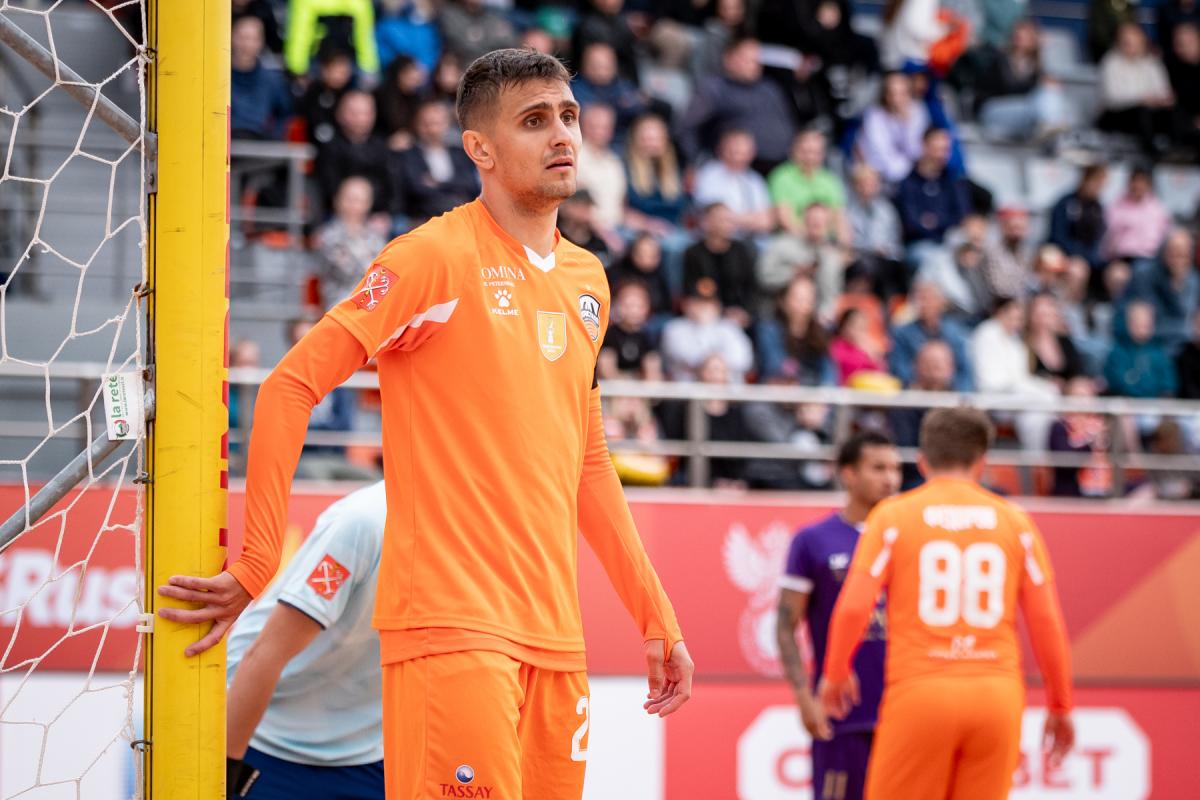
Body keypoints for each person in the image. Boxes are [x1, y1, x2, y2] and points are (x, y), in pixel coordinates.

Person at [157, 49, 693, 800]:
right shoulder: (432, 256)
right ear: (480, 148)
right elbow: (288, 387)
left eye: (568, 116)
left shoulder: (588, 280)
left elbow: (590, 461)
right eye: (534, 120)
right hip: (451, 625)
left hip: (554, 636)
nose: (561, 134)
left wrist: (656, 618)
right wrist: (256, 562)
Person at [819, 407, 1075, 800]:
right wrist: (1060, 704)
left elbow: (854, 607)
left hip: (921, 690)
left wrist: (836, 673)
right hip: (996, 695)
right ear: (982, 462)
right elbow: (1046, 621)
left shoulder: (893, 516)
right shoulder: (1016, 522)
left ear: (922, 460)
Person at [225, 482, 387, 799]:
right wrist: (224, 772)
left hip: (367, 751)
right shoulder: (365, 521)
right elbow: (266, 652)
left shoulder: (472, 526)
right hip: (265, 740)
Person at [776, 432, 901, 800]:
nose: (890, 479)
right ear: (848, 474)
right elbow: (785, 624)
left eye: (895, 469)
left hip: (906, 711)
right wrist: (805, 697)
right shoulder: (814, 540)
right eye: (878, 468)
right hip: (843, 713)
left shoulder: (908, 538)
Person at [677, 37, 798, 169]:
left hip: (783, 166)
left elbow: (788, 124)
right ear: (728, 59)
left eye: (756, 60)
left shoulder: (770, 88)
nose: (754, 65)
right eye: (747, 59)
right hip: (736, 168)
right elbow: (689, 128)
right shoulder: (715, 88)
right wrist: (693, 162)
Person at [389, 100, 480, 223]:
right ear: (417, 125)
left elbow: (470, 184)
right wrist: (453, 187)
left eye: (436, 123)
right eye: (426, 124)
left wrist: (439, 183)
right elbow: (417, 189)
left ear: (447, 125)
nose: (432, 129)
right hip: (424, 218)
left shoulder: (460, 153)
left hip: (461, 216)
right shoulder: (408, 156)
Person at [1097, 22, 1176, 155]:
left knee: (1174, 111)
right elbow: (1112, 98)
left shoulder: (1152, 62)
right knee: (1142, 112)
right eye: (1126, 41)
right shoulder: (1110, 62)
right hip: (1117, 115)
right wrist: (1141, 99)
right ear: (1118, 42)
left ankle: (1179, 150)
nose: (1132, 45)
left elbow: (1164, 90)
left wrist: (1161, 100)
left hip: (1150, 111)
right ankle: (1151, 154)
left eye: (1136, 40)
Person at [660, 277, 756, 382]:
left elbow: (744, 360)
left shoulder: (730, 327)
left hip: (727, 388)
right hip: (687, 389)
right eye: (699, 302)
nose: (704, 307)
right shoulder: (675, 328)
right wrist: (712, 364)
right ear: (686, 304)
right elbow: (684, 356)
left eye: (709, 302)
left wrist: (716, 366)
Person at [313, 176, 389, 306]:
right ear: (337, 200)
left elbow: (384, 271)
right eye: (349, 198)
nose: (353, 204)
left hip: (373, 305)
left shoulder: (376, 236)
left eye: (359, 200)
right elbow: (349, 271)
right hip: (340, 304)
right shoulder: (327, 235)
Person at [315, 90, 392, 215]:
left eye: (366, 113)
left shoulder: (382, 146)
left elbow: (391, 186)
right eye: (354, 113)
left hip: (377, 213)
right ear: (339, 114)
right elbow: (328, 187)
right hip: (337, 213)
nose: (361, 119)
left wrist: (384, 213)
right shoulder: (329, 148)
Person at [888, 280, 973, 391]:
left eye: (930, 299)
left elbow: (965, 372)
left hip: (949, 392)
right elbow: (899, 370)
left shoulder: (955, 332)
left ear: (941, 302)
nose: (925, 304)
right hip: (916, 392)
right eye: (920, 299)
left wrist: (952, 389)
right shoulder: (902, 333)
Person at [682, 203, 758, 327]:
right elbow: (691, 290)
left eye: (730, 220)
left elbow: (752, 287)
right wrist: (720, 312)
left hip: (740, 312)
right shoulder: (693, 253)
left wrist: (745, 312)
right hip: (707, 313)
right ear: (707, 223)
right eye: (722, 220)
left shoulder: (742, 250)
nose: (728, 224)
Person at [754, 274, 835, 385]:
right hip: (776, 390)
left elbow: (829, 372)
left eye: (809, 299)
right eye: (798, 298)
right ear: (783, 301)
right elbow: (774, 367)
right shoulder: (768, 330)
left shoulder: (820, 333)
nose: (804, 304)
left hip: (811, 391)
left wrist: (822, 391)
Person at [692, 129, 775, 236]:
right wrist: (751, 219)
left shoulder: (755, 180)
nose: (740, 157)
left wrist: (734, 219)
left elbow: (767, 222)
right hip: (718, 238)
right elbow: (715, 217)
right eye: (736, 151)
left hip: (752, 239)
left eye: (745, 152)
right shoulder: (709, 174)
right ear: (722, 150)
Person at [895, 127, 969, 246]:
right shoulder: (908, 183)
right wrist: (940, 224)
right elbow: (911, 224)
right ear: (924, 147)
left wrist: (935, 222)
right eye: (937, 149)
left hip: (949, 243)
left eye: (945, 150)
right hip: (918, 245)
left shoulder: (953, 182)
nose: (941, 155)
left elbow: (962, 217)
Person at [768, 129, 847, 240]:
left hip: (826, 243)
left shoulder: (830, 180)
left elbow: (841, 221)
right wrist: (813, 239)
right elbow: (785, 221)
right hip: (793, 240)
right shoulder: (781, 177)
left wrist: (845, 246)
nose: (810, 157)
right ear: (793, 151)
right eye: (805, 151)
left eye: (815, 153)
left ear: (823, 155)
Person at [856, 72, 929, 184]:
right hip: (879, 173)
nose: (896, 99)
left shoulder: (918, 111)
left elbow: (916, 151)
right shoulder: (874, 116)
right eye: (892, 93)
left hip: (909, 173)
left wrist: (906, 124)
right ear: (885, 95)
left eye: (902, 93)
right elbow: (880, 154)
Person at [231, 16, 292, 141]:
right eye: (243, 38)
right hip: (222, 143)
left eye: (253, 39)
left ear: (261, 42)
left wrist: (273, 137)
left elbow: (285, 114)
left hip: (260, 146)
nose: (247, 45)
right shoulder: (215, 79)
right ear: (231, 37)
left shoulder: (273, 80)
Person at [284, 0, 379, 78]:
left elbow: (365, 39)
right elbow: (299, 35)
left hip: (346, 63)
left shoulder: (360, 3)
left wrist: (368, 71)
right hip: (318, 63)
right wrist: (298, 70)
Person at [1105, 301, 1179, 399]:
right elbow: (1115, 381)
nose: (1141, 329)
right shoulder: (1118, 353)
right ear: (1128, 324)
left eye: (1146, 325)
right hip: (1126, 403)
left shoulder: (1160, 354)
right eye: (1137, 324)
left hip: (1155, 404)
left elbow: (1168, 384)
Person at [575, 103, 627, 235]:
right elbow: (571, 208)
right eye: (594, 126)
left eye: (604, 127)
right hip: (588, 232)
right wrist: (607, 236)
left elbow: (622, 209)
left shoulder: (614, 163)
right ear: (582, 126)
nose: (599, 132)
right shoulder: (573, 159)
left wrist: (647, 224)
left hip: (619, 228)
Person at [1102, 167, 1170, 263]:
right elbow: (1109, 236)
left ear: (1148, 185)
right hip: (1121, 257)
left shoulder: (1157, 209)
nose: (1138, 185)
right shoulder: (1116, 206)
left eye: (1142, 182)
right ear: (1129, 183)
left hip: (1148, 258)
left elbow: (1164, 236)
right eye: (1135, 181)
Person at [1048, 164, 1107, 271]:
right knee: (1076, 270)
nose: (1098, 189)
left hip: (1089, 258)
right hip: (1064, 253)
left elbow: (1098, 239)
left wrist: (1088, 257)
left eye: (1101, 185)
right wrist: (1077, 255)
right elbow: (1058, 236)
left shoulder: (1097, 208)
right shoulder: (1065, 203)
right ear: (1085, 180)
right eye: (1096, 183)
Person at [437, 0, 518, 63]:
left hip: (493, 67)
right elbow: (464, 46)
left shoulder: (495, 14)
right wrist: (489, 45)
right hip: (463, 67)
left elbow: (509, 42)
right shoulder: (449, 15)